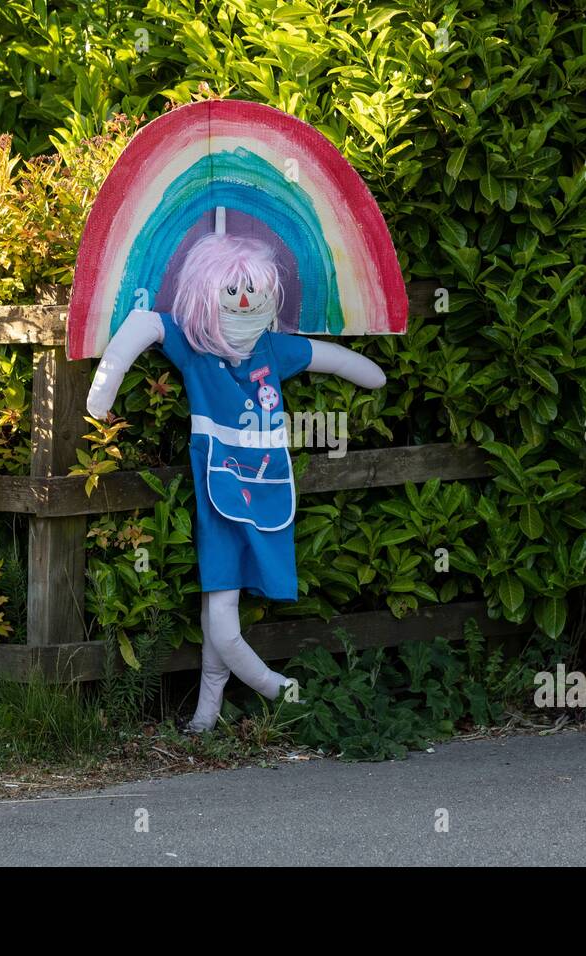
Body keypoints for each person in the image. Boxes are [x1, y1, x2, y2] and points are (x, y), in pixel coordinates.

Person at [84, 232, 386, 732]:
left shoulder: (272, 347)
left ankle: (206, 716)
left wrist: (370, 372)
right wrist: (105, 385)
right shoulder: (195, 347)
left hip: (267, 484)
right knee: (222, 615)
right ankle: (279, 690)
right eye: (232, 291)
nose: (245, 302)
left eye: (254, 291)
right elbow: (144, 322)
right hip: (218, 485)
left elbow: (330, 357)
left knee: (220, 610)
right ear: (205, 293)